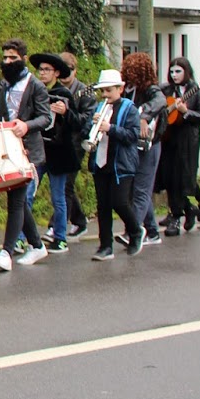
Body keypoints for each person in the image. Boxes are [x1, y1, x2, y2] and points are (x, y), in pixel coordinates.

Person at [0, 39, 54, 271]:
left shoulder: (36, 85)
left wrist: (26, 125)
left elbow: (45, 117)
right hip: (7, 149)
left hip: (27, 151)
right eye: (5, 57)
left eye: (13, 58)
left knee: (16, 200)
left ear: (23, 59)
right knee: (18, 201)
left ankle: (6, 252)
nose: (7, 62)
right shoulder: (4, 85)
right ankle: (37, 245)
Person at [86, 69, 144, 261]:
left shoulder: (129, 109)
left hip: (121, 164)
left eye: (109, 90)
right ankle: (105, 246)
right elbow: (88, 132)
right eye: (102, 91)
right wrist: (92, 124)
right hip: (101, 163)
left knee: (119, 202)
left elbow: (132, 136)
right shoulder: (99, 107)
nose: (105, 95)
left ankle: (135, 231)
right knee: (103, 206)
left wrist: (110, 128)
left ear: (120, 89)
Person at [31, 52, 82, 254]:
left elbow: (77, 123)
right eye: (40, 69)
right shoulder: (35, 91)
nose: (42, 73)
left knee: (58, 197)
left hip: (58, 153)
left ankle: (60, 238)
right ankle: (22, 237)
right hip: (38, 150)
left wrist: (65, 112)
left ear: (56, 73)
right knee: (27, 194)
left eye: (47, 70)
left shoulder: (63, 94)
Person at [160, 56, 200, 235]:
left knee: (184, 176)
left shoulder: (197, 90)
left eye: (178, 71)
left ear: (186, 72)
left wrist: (186, 112)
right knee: (168, 176)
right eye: (172, 72)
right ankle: (188, 209)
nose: (174, 75)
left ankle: (178, 215)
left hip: (187, 139)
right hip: (168, 137)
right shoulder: (166, 89)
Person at [121, 52, 168, 248]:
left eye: (133, 71)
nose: (129, 74)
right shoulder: (126, 90)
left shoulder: (151, 90)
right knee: (137, 189)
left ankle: (133, 231)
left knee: (141, 188)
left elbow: (161, 101)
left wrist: (143, 116)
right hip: (133, 144)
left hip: (150, 144)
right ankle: (153, 231)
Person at [57, 53, 94, 238]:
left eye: (69, 70)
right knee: (64, 185)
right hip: (57, 142)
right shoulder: (54, 89)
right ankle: (79, 220)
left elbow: (85, 120)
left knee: (66, 184)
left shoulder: (85, 92)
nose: (65, 75)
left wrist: (67, 112)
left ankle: (57, 226)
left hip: (75, 143)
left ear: (75, 70)